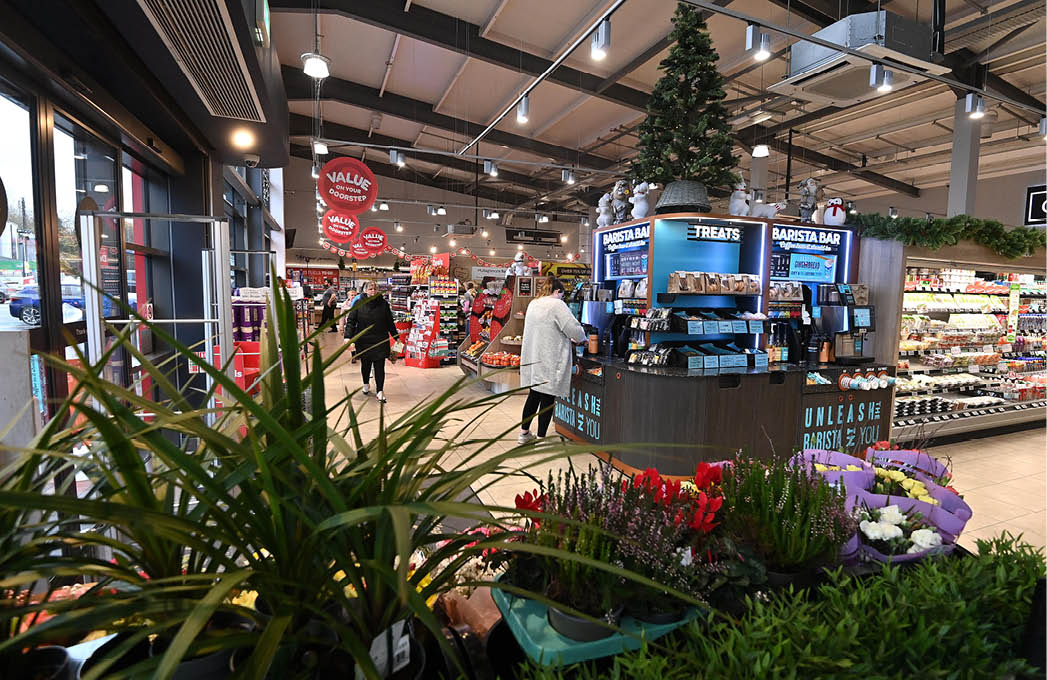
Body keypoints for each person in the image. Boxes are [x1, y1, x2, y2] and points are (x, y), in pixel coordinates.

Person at [518, 275, 585, 443]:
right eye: (562, 294)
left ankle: (523, 434)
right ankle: (541, 438)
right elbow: (572, 328)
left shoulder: (534, 303)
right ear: (557, 291)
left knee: (534, 395)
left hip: (534, 357)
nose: (562, 297)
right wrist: (582, 337)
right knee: (547, 398)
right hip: (550, 358)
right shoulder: (557, 304)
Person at [344, 280, 398, 403]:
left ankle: (380, 391)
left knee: (380, 366)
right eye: (370, 289)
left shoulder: (383, 304)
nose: (373, 291)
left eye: (375, 289)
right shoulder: (358, 303)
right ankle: (366, 383)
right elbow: (351, 321)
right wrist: (348, 337)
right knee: (365, 364)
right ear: (365, 290)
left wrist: (396, 337)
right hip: (364, 340)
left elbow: (390, 322)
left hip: (380, 339)